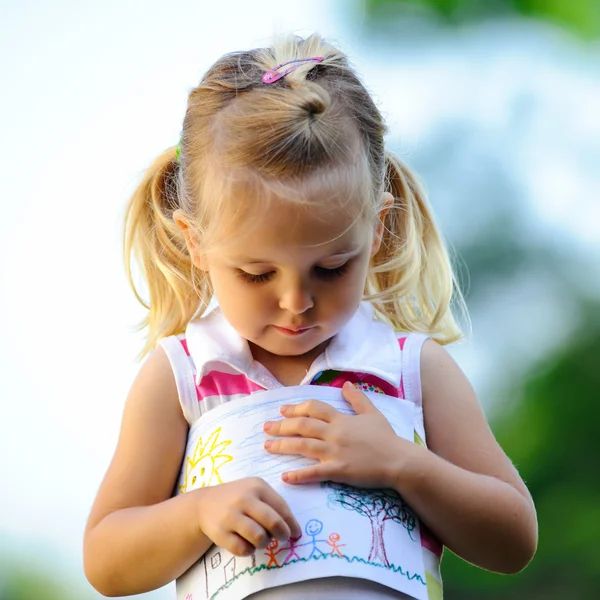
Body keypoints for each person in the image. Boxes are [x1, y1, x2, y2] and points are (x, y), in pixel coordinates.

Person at [83, 33, 538, 600]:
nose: (296, 301)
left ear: (376, 228)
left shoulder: (411, 369)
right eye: (256, 274)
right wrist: (197, 511)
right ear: (195, 244)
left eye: (331, 268)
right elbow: (106, 559)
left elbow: (514, 538)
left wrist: (403, 464)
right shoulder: (184, 376)